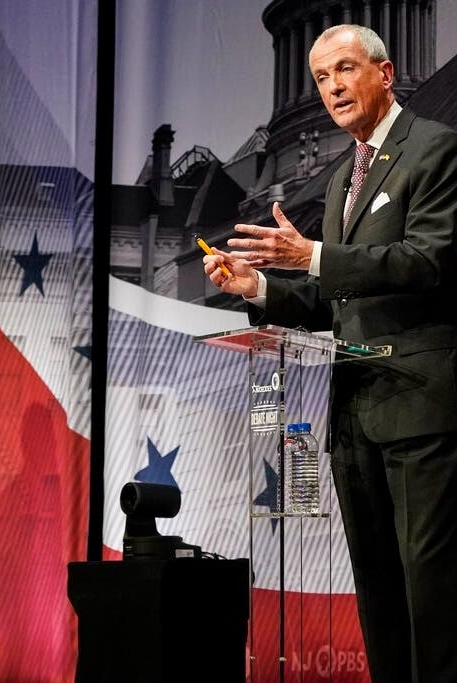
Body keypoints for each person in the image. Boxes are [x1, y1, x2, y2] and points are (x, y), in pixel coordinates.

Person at [202, 24, 457, 683]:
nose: (332, 88)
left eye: (344, 69)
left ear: (385, 71)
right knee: (377, 592)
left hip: (420, 414)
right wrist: (257, 285)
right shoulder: (345, 171)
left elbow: (426, 261)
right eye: (320, 78)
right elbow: (334, 301)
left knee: (432, 597)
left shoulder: (436, 150)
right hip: (352, 415)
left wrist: (312, 255)